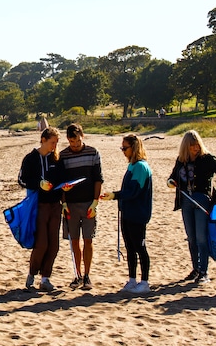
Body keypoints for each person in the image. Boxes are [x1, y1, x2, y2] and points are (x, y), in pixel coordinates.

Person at [167, 130, 216, 284]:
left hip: (202, 201)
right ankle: (195, 268)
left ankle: (204, 272)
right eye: (192, 146)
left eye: (197, 145)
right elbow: (172, 176)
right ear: (186, 146)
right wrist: (170, 182)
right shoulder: (181, 160)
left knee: (202, 238)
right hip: (185, 202)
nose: (195, 149)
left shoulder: (207, 159)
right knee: (191, 238)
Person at [101, 133, 153, 294]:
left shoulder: (141, 167)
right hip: (128, 213)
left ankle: (144, 281)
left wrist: (115, 195)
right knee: (130, 247)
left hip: (138, 214)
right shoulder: (132, 165)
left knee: (140, 247)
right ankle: (132, 279)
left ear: (133, 147)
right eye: (122, 148)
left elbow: (133, 192)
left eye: (125, 148)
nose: (123, 151)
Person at [58, 124, 103, 290]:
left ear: (82, 136)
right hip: (70, 204)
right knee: (74, 242)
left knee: (88, 240)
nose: (75, 145)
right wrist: (63, 201)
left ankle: (87, 275)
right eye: (71, 142)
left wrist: (95, 201)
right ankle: (77, 274)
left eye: (77, 141)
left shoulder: (93, 152)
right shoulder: (62, 156)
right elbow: (60, 182)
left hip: (88, 203)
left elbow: (98, 179)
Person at [20, 127, 64, 291]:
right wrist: (38, 184)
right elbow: (22, 180)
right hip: (38, 204)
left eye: (56, 142)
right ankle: (32, 273)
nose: (55, 145)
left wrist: (64, 190)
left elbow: (63, 178)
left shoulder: (57, 159)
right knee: (41, 243)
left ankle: (46, 278)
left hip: (55, 204)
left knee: (54, 244)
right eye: (52, 142)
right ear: (43, 140)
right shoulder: (31, 158)